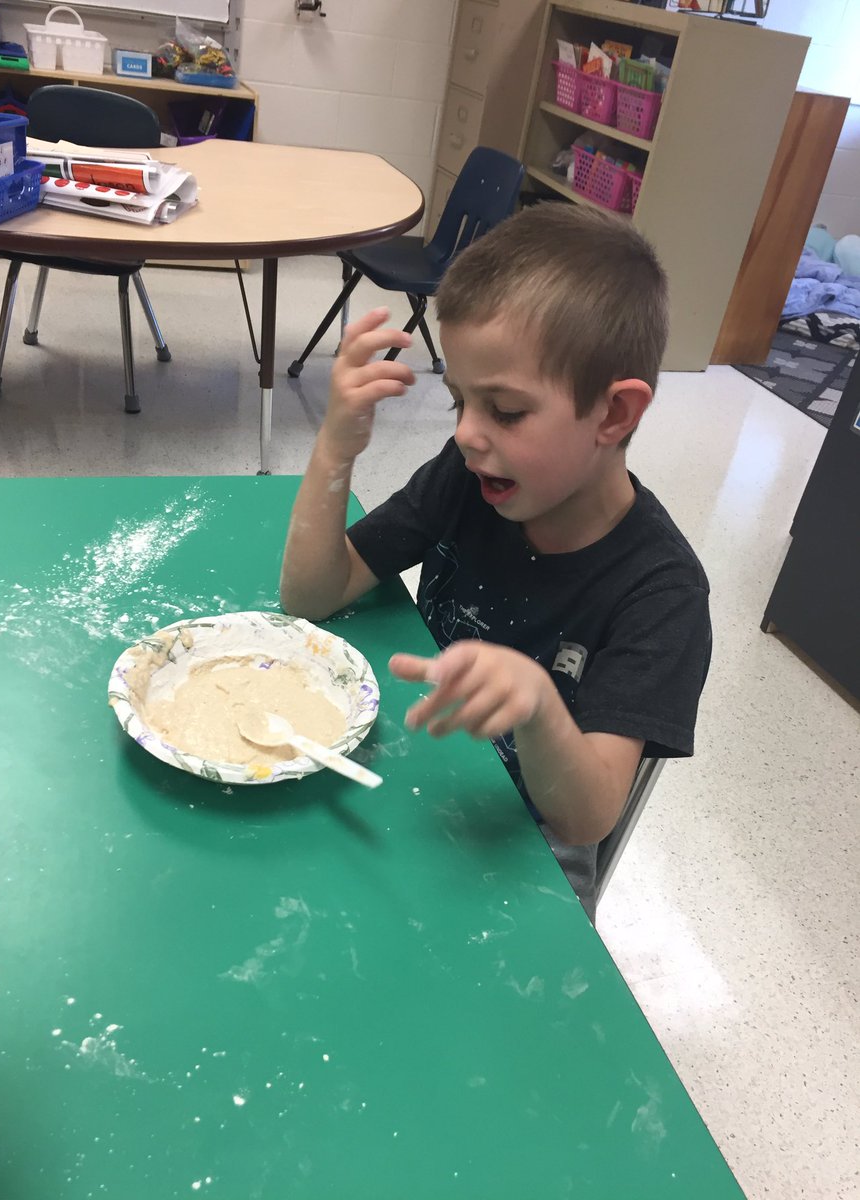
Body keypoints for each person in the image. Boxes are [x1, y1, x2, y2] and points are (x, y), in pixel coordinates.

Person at [280, 203, 711, 921]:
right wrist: (335, 448)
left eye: (505, 411)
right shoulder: (470, 479)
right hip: (415, 784)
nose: (469, 435)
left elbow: (586, 819)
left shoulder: (660, 593)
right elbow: (312, 594)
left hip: (525, 856)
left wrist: (539, 704)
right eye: (458, 402)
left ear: (613, 415)